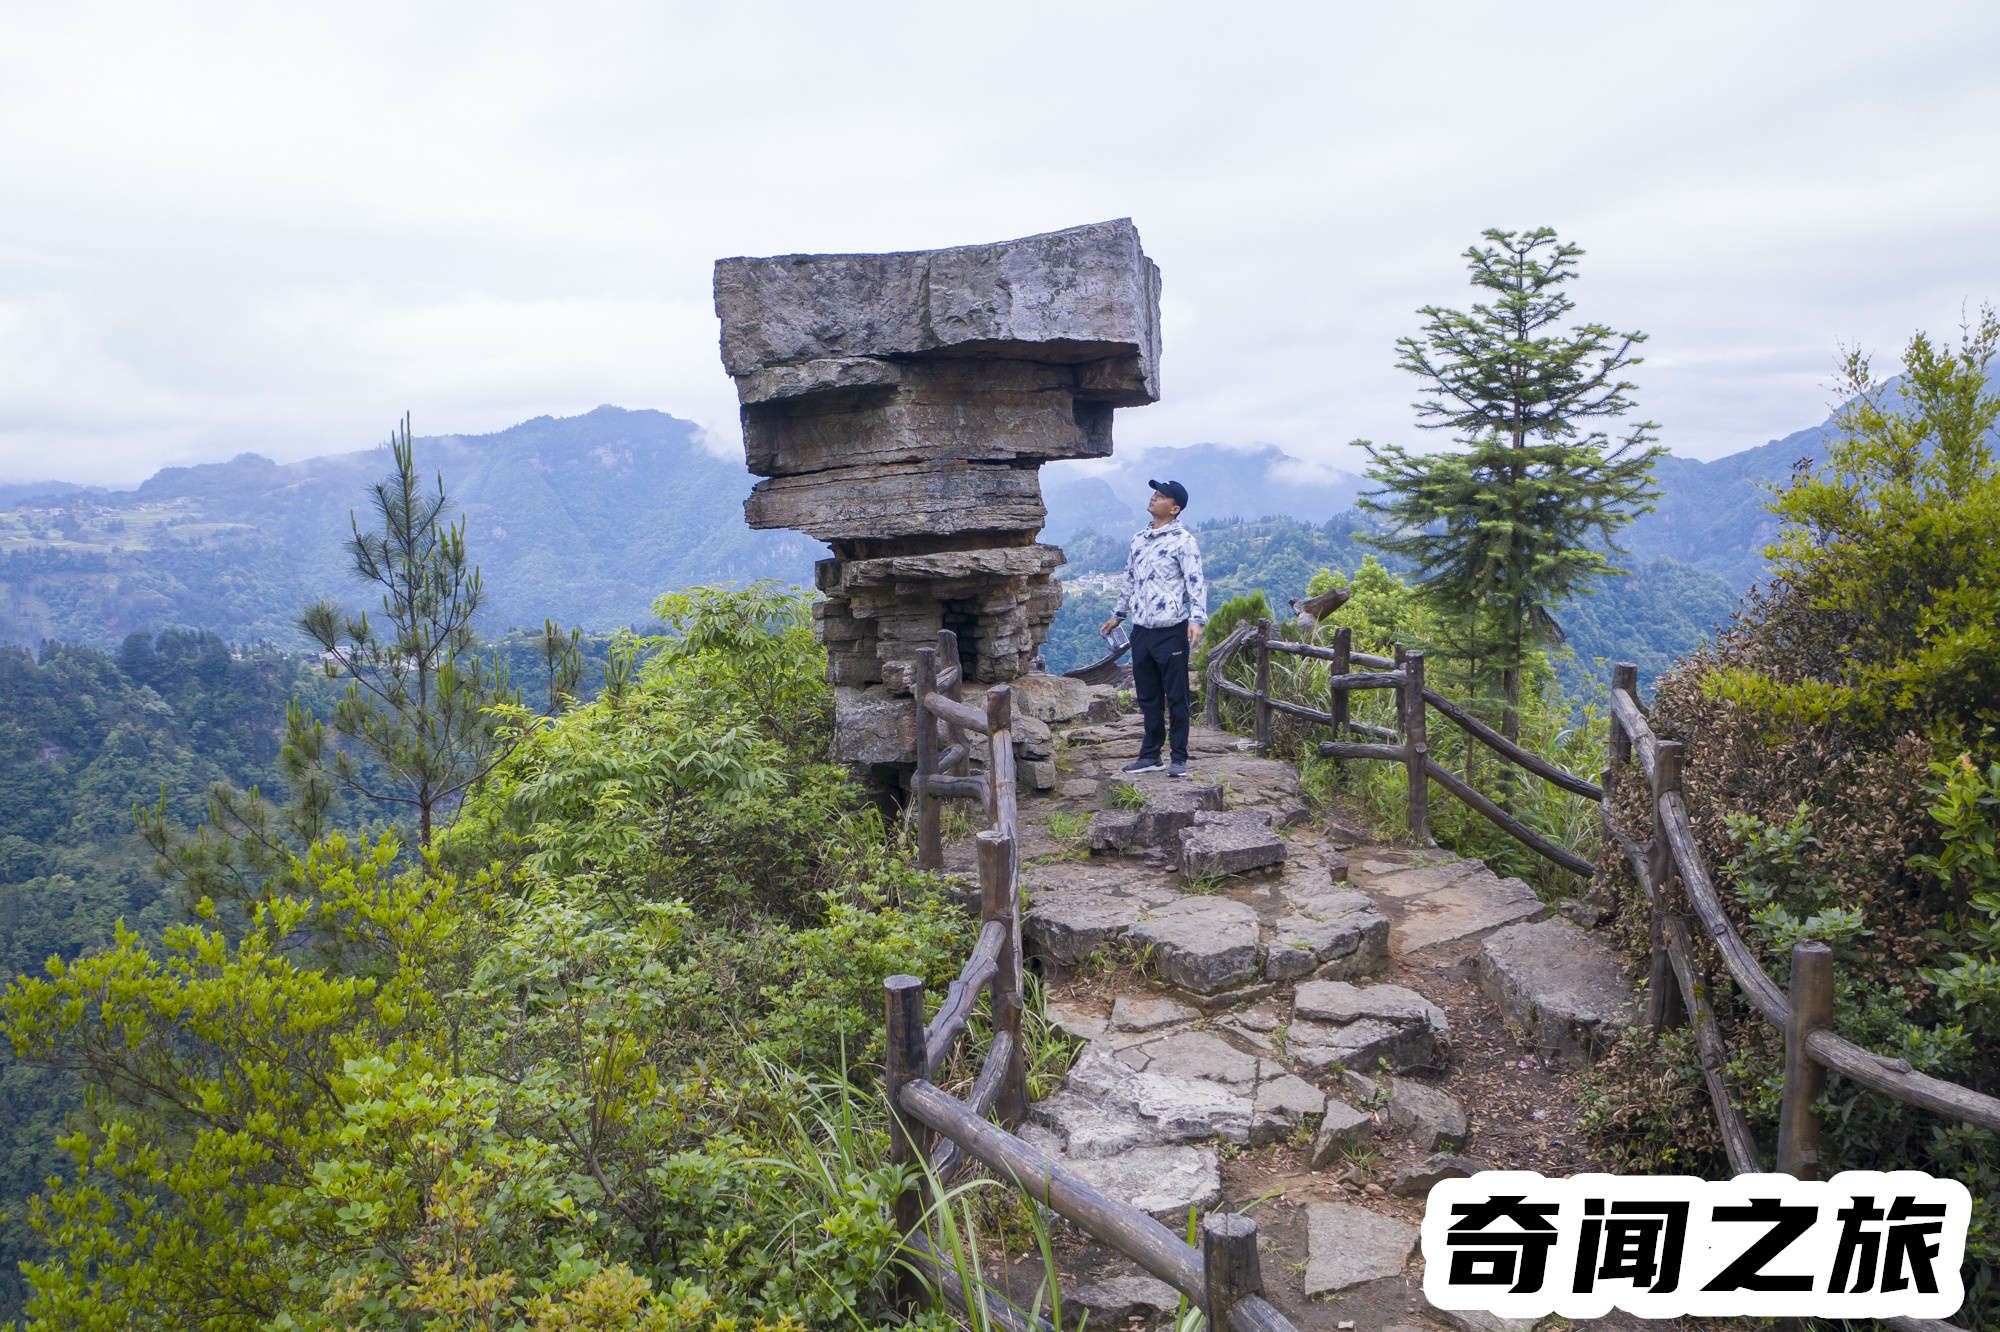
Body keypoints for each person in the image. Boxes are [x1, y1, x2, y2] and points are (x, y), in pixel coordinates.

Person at [1100, 479, 1207, 777]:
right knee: (1147, 696)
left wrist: (1197, 619)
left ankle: (1179, 757)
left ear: (1174, 509)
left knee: (1176, 696)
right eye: (1154, 493)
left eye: (1161, 496)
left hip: (1171, 629)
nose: (1154, 497)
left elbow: (1195, 582)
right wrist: (1118, 615)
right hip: (1142, 630)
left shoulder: (1183, 541)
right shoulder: (1139, 539)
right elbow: (1129, 580)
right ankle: (1150, 755)